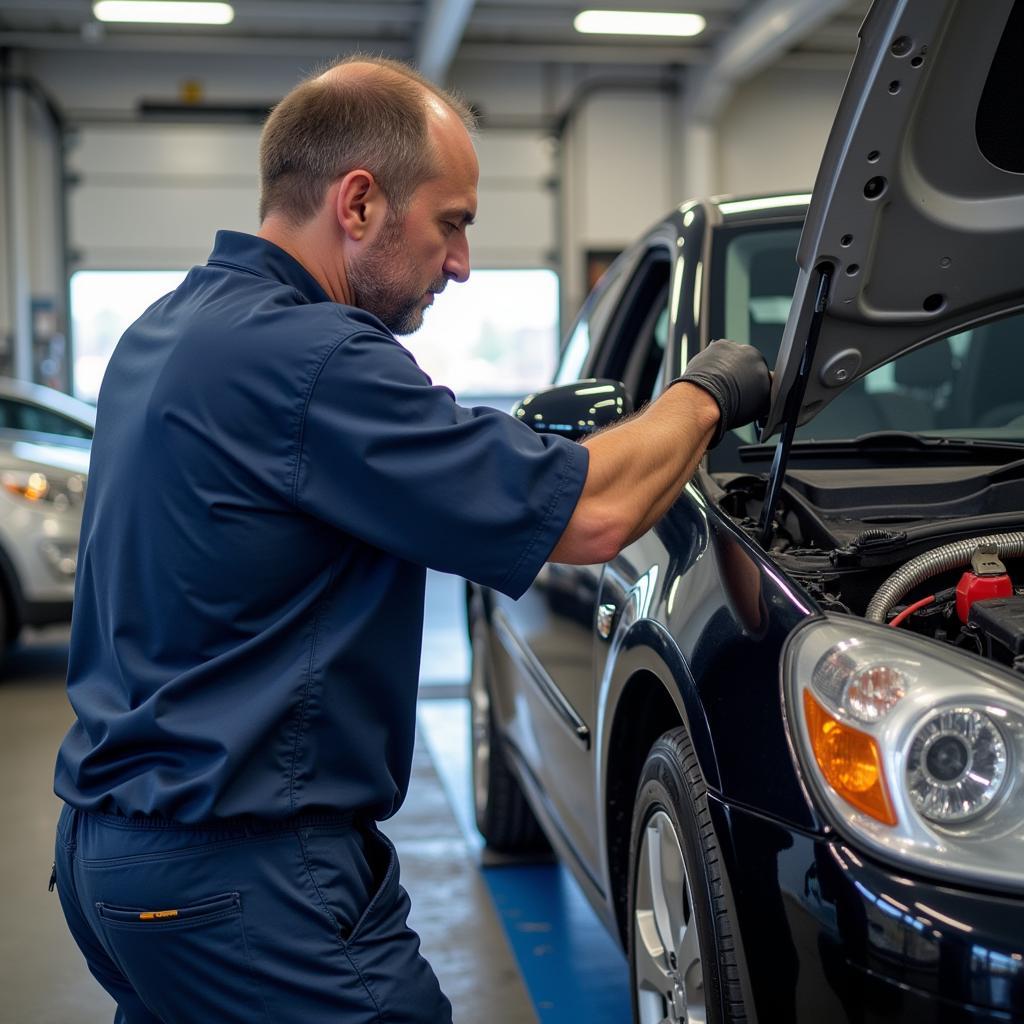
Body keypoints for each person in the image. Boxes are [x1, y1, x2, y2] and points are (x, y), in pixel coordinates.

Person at [52, 56, 770, 1023]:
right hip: (242, 879)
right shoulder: (318, 361)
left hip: (119, 864)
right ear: (358, 204)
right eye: (453, 222)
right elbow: (595, 514)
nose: (463, 263)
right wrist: (709, 390)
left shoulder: (164, 331)